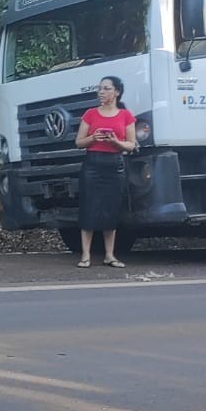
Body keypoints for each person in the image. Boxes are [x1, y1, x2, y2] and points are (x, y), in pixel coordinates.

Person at [74, 75, 136, 268]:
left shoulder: (125, 115)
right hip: (93, 163)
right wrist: (93, 138)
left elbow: (131, 145)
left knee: (111, 208)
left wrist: (116, 142)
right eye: (100, 88)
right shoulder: (90, 114)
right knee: (89, 206)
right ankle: (85, 255)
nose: (101, 92)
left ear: (116, 92)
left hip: (115, 164)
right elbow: (78, 142)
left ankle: (110, 254)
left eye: (106, 88)